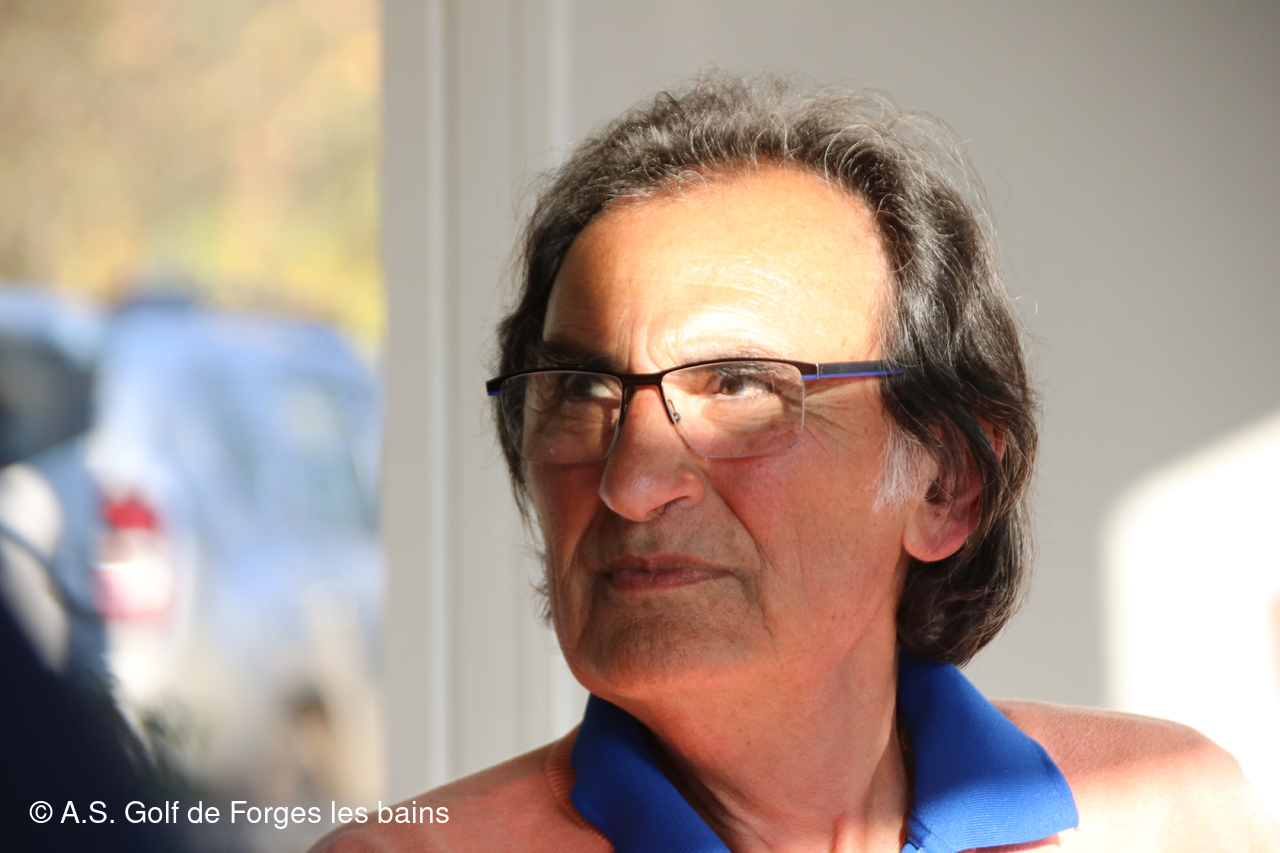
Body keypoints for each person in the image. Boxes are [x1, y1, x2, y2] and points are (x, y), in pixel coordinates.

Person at [314, 73, 1280, 852]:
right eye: (580, 387)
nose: (630, 483)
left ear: (948, 485)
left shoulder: (1169, 814)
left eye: (740, 384)